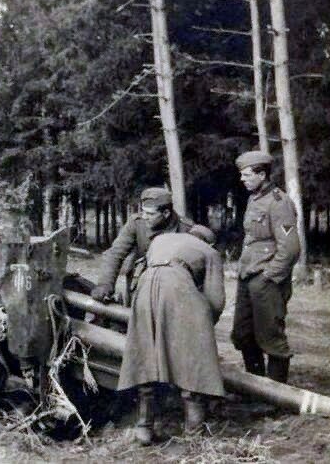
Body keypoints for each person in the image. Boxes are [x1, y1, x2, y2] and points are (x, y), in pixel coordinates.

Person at [118, 226, 225, 444]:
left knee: (147, 354)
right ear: (208, 242)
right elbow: (216, 301)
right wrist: (201, 327)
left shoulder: (161, 239)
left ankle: (144, 428)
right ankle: (194, 432)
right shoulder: (209, 252)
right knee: (192, 357)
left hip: (145, 288)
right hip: (178, 285)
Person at [231, 150, 299, 383]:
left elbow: (290, 248)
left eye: (247, 174)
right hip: (247, 275)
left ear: (262, 174)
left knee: (271, 337)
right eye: (241, 174)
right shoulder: (254, 198)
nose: (242, 179)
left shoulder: (280, 203)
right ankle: (257, 386)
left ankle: (276, 395)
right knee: (242, 334)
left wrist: (269, 277)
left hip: (266, 280)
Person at [92, 187, 193, 305]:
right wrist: (105, 284)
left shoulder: (186, 230)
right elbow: (114, 254)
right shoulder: (137, 223)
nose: (144, 216)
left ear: (166, 213)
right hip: (140, 283)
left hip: (172, 288)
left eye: (150, 213)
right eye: (143, 211)